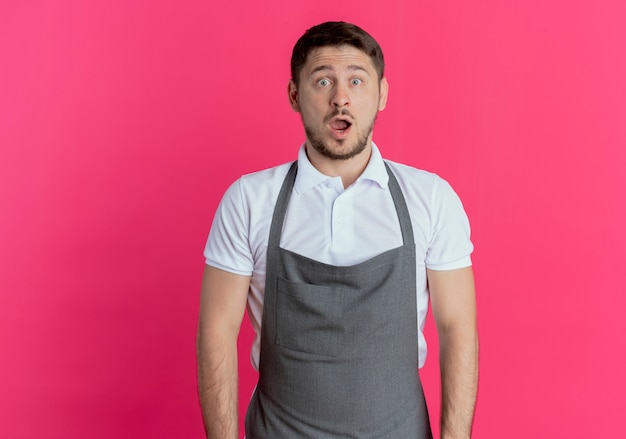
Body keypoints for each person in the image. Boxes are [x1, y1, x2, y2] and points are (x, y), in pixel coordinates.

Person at [197, 21, 478, 439]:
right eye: (322, 80)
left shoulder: (431, 198)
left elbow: (458, 328)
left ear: (381, 94)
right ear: (295, 96)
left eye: (357, 81)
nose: (340, 98)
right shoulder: (249, 200)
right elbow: (217, 331)